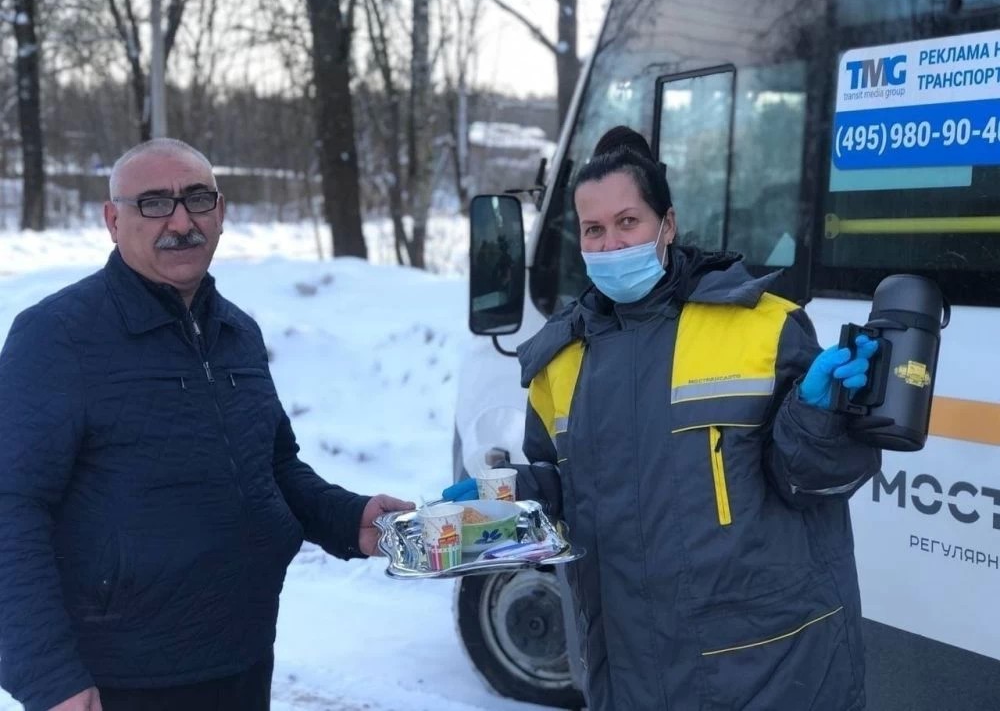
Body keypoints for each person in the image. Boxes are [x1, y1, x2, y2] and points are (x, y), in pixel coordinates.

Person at [0, 138, 414, 711]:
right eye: (154, 203)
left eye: (198, 199)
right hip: (122, 681)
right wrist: (48, 679)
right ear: (112, 219)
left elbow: (271, 465)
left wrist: (348, 518)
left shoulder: (236, 332)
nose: (181, 220)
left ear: (221, 212)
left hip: (241, 660)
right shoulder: (57, 336)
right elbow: (13, 505)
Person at [513, 126, 880, 709]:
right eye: (593, 229)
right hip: (626, 670)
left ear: (668, 225)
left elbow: (813, 480)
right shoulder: (558, 361)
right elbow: (567, 488)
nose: (610, 246)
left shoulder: (762, 327)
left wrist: (820, 414)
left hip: (767, 672)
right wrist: (504, 498)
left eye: (628, 222)